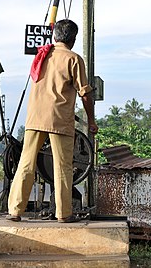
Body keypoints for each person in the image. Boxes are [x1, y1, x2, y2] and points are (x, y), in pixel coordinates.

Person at [7, 19, 98, 223]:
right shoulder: (73, 59)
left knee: (26, 162)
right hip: (59, 119)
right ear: (73, 39)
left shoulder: (42, 55)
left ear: (55, 36)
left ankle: (15, 210)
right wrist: (91, 121)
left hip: (35, 117)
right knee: (63, 166)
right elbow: (85, 94)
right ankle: (64, 213)